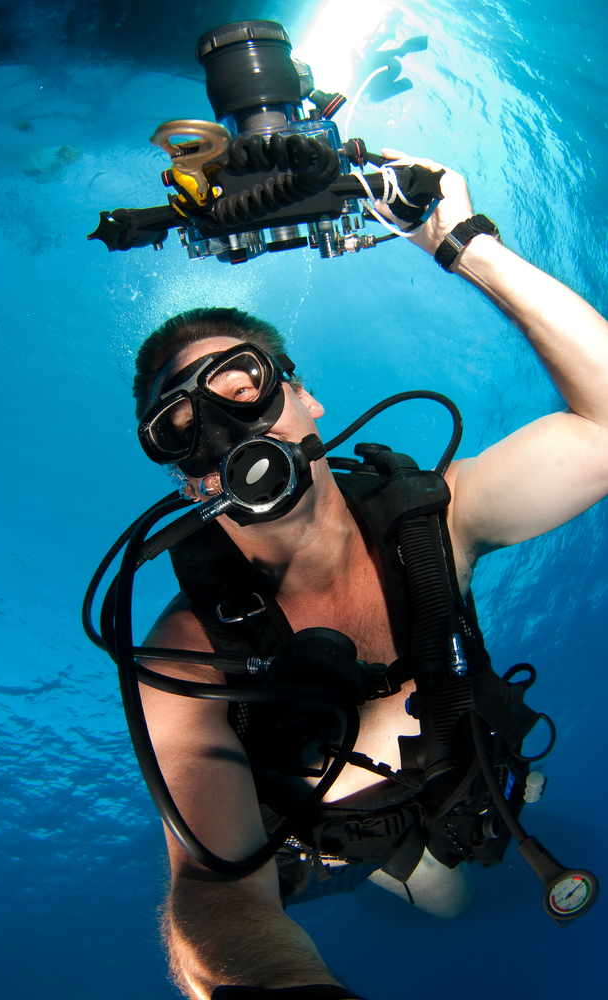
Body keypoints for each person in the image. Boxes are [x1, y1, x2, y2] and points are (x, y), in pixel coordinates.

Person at [130, 150, 608, 1000]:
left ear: (304, 398)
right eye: (180, 425)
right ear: (186, 477)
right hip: (353, 836)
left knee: (480, 847)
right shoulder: (185, 653)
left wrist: (466, 246)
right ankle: (385, 876)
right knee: (444, 900)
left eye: (241, 382)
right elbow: (210, 892)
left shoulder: (434, 518)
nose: (221, 430)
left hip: (463, 768)